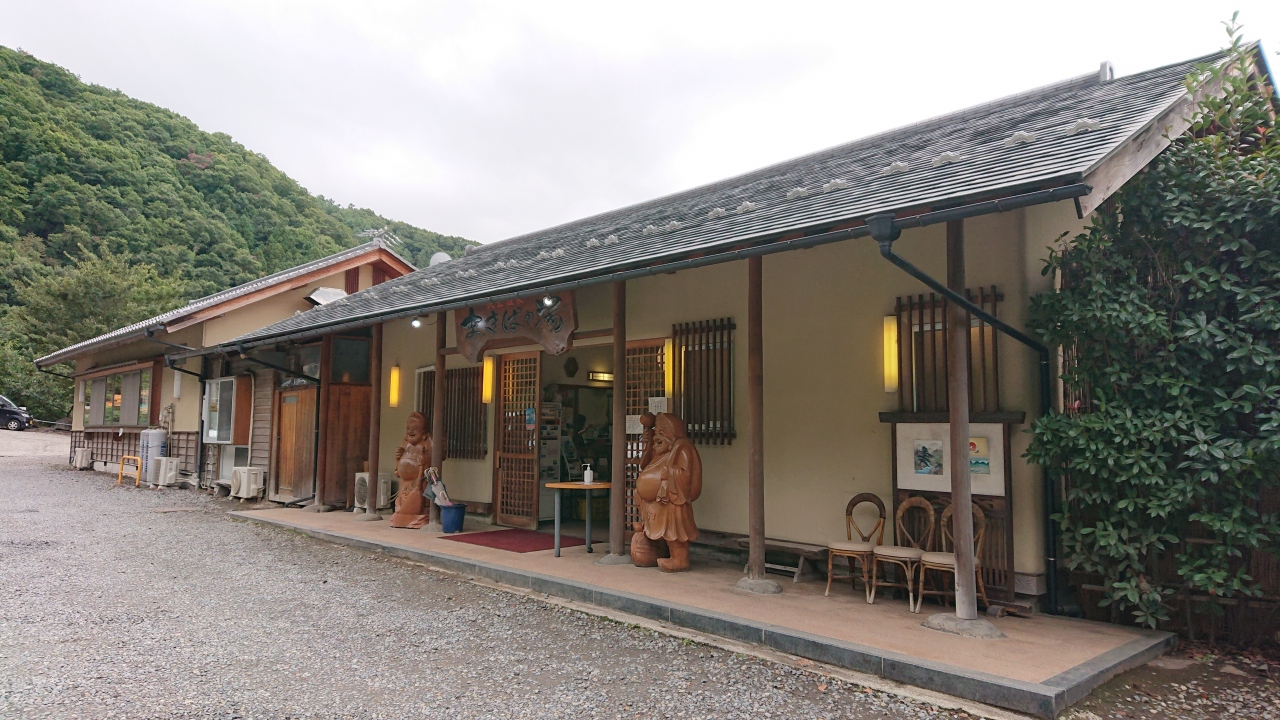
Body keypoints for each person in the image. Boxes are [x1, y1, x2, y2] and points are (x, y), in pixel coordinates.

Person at [631, 412, 702, 572]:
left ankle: (680, 559)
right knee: (661, 529)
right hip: (654, 502)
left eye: (661, 433)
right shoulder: (660, 452)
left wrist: (669, 474)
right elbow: (644, 464)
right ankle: (660, 551)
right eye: (656, 433)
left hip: (671, 497)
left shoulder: (682, 448)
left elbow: (686, 474)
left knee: (674, 530)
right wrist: (649, 439)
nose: (657, 437)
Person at [388, 412, 432, 529]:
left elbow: (432, 464)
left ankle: (415, 517)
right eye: (408, 429)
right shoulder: (406, 445)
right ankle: (402, 516)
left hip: (419, 483)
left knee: (418, 503)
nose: (410, 431)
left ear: (424, 433)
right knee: (401, 505)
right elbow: (397, 472)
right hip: (404, 484)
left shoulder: (427, 444)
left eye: (414, 429)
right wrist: (398, 458)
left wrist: (424, 460)